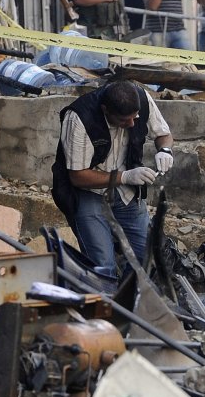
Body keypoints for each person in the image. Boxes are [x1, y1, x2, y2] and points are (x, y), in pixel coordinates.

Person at [51, 80, 173, 277]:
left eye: (135, 118)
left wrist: (165, 150)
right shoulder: (79, 118)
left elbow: (164, 134)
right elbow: (77, 176)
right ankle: (103, 301)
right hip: (88, 193)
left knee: (148, 257)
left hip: (126, 194)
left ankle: (127, 301)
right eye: (125, 121)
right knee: (102, 266)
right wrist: (124, 176)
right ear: (105, 110)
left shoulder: (141, 99)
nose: (132, 124)